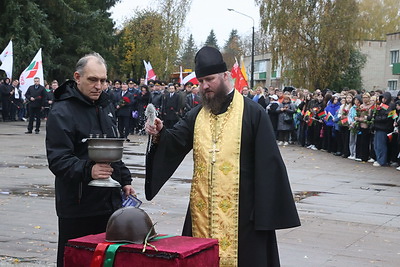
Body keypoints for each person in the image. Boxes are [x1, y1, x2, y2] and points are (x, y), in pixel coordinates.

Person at [145, 46, 300, 266]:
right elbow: (175, 140)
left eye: (210, 79)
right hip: (202, 211)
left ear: (226, 76)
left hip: (243, 215)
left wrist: (263, 215)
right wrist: (160, 132)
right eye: (200, 81)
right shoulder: (197, 114)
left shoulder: (253, 113)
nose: (205, 86)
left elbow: (269, 165)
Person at [45, 53, 134, 267]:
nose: (99, 86)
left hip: (109, 207)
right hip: (78, 208)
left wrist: (125, 180)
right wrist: (89, 170)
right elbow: (57, 159)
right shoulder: (62, 110)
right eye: (93, 80)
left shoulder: (105, 106)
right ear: (77, 77)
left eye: (103, 80)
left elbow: (113, 151)